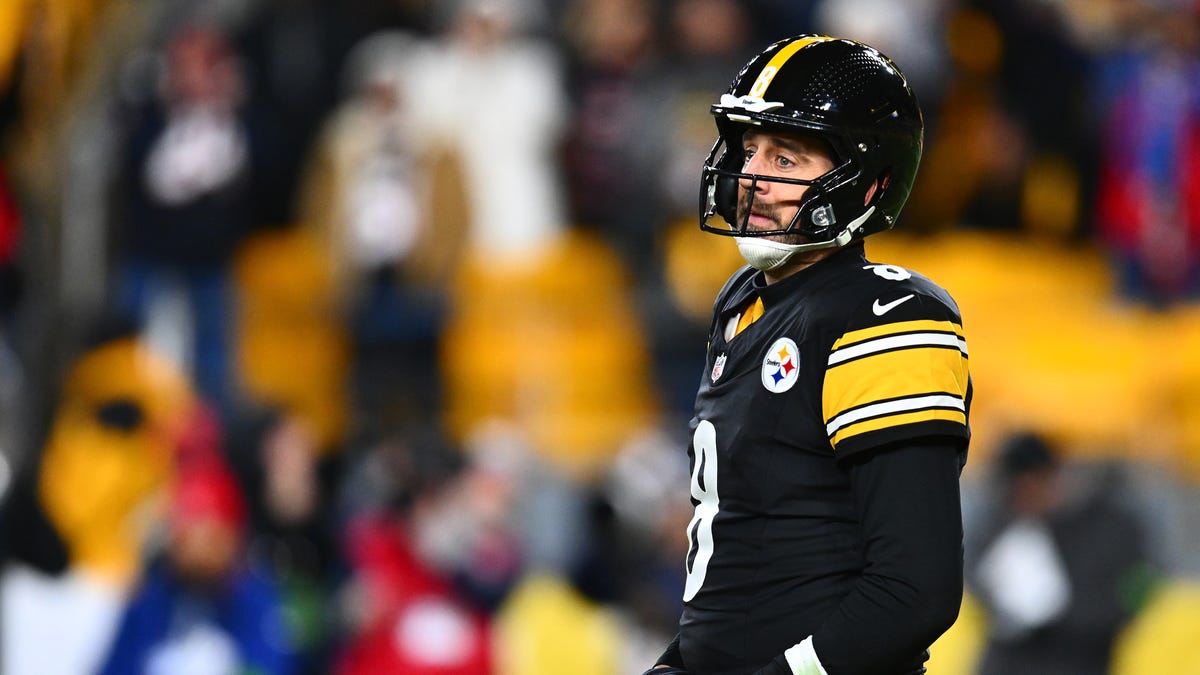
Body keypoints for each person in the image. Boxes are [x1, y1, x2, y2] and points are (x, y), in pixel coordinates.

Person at [644, 35, 972, 675]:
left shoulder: (883, 315)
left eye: (786, 159)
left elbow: (915, 590)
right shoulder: (744, 303)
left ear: (867, 181)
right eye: (749, 152)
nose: (753, 181)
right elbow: (739, 562)